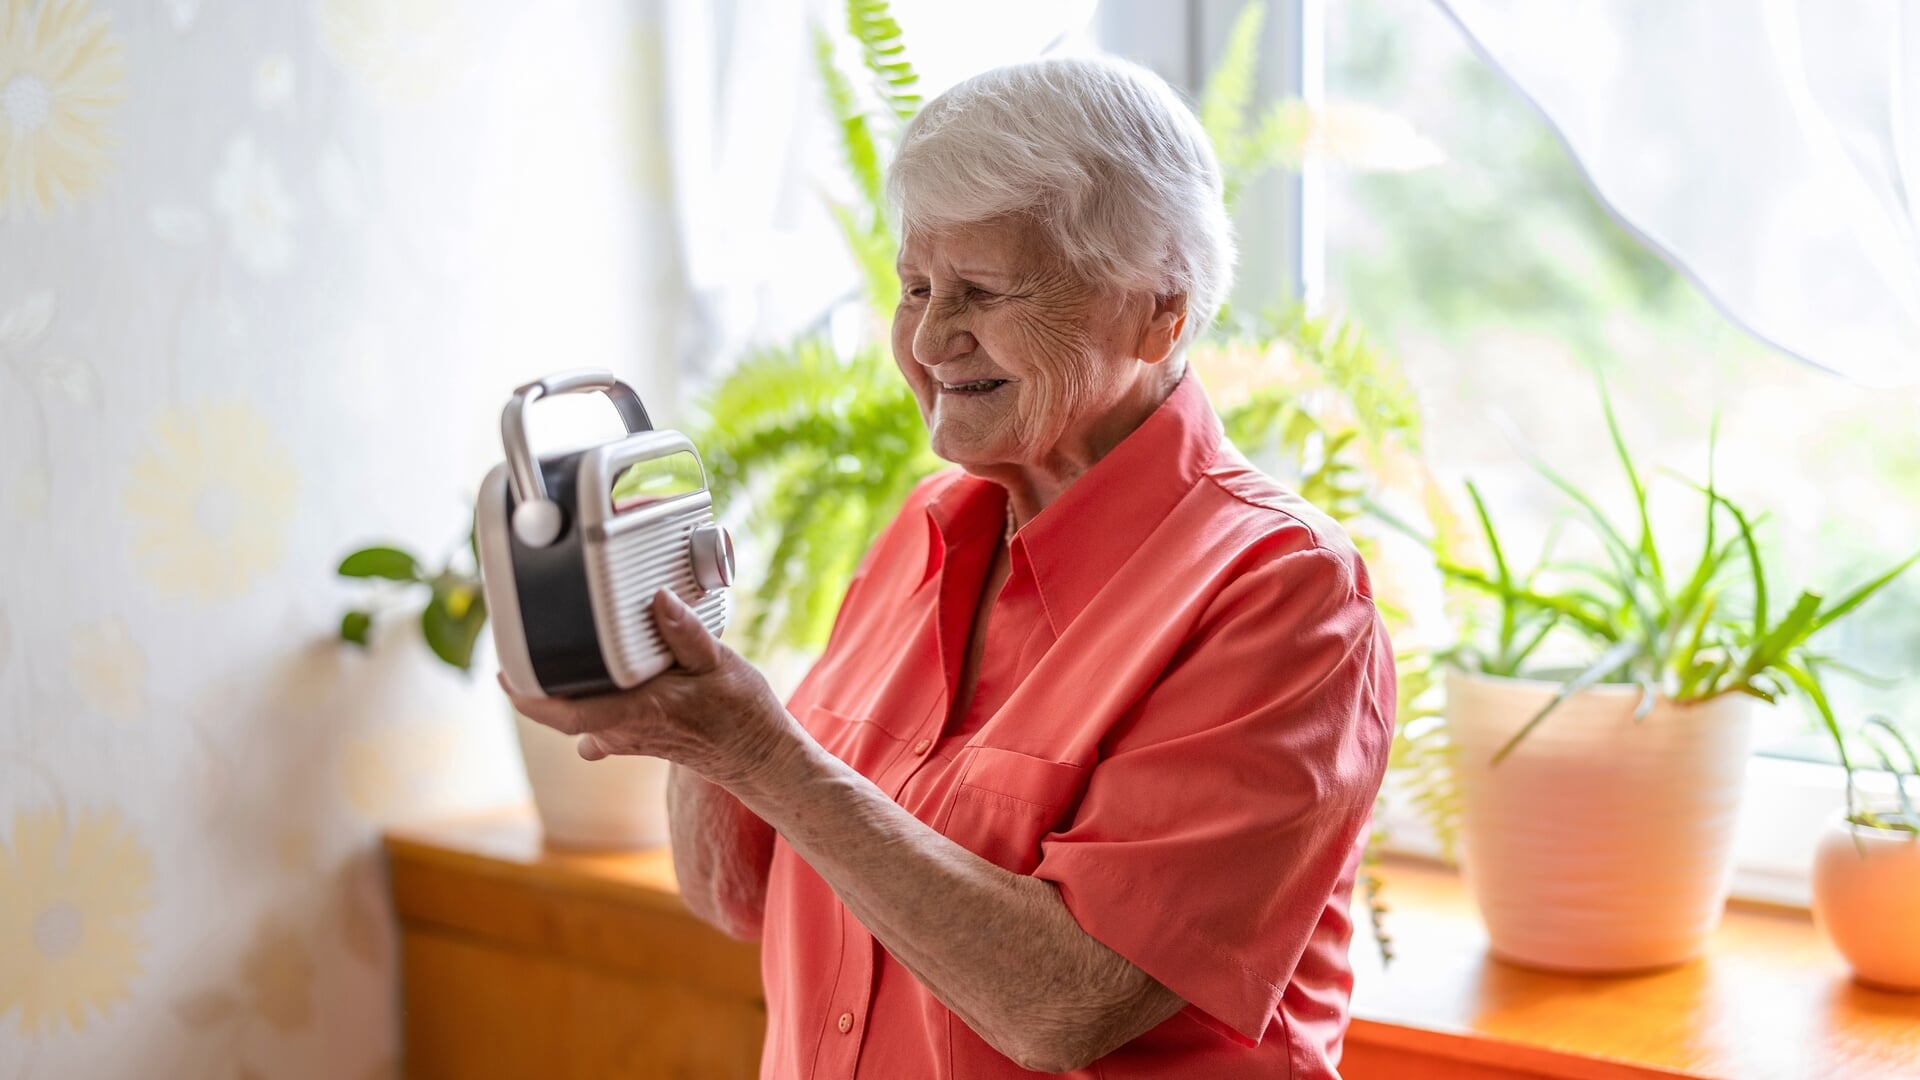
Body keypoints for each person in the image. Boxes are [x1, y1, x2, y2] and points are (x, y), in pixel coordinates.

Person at [509, 54, 1395, 1079]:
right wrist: (686, 698)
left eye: (982, 291)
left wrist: (762, 753)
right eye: (915, 287)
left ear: (1158, 309)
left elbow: (1066, 1003)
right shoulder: (928, 530)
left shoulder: (1283, 593)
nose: (929, 340)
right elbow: (738, 898)